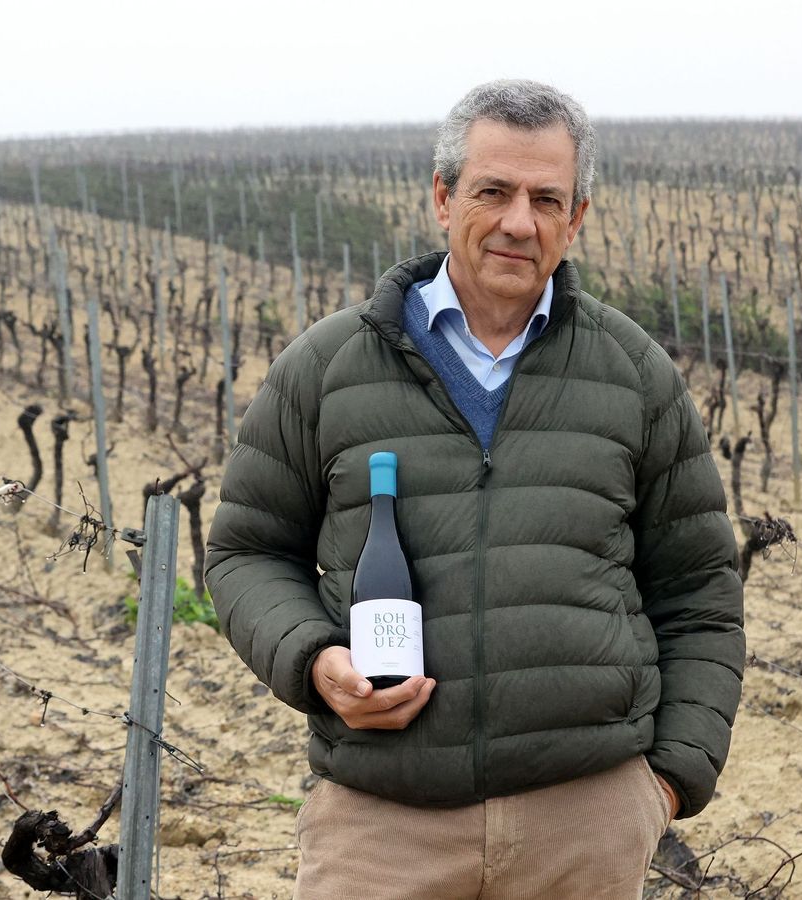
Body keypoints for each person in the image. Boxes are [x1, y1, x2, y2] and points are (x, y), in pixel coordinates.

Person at [205, 79, 745, 899]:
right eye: (493, 191)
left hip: (584, 826)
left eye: (546, 199)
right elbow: (247, 552)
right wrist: (314, 663)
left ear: (578, 218)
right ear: (443, 197)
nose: (519, 222)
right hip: (382, 825)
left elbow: (701, 587)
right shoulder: (325, 368)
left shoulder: (635, 376)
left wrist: (666, 782)